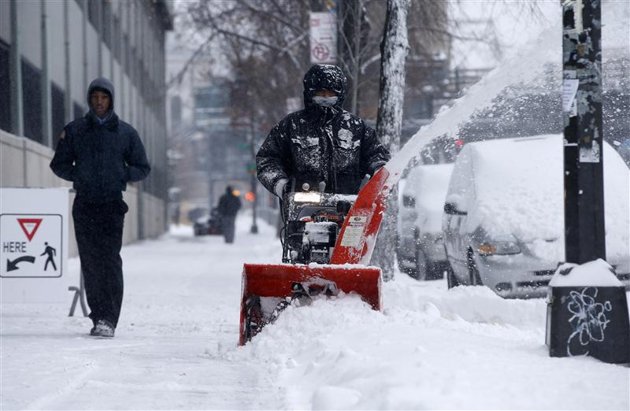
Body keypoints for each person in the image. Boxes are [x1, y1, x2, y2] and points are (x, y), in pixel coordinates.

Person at [50, 77, 150, 338]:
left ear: (111, 100)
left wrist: (121, 175)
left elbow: (142, 167)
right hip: (84, 205)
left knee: (110, 262)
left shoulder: (126, 133)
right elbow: (58, 164)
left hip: (112, 206)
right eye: (95, 97)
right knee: (91, 264)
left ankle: (110, 318)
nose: (99, 102)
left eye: (104, 97)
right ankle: (98, 318)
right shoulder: (75, 131)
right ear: (89, 99)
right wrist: (79, 175)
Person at [256, 64, 390, 198]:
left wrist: (379, 173)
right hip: (302, 206)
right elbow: (267, 160)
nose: (326, 97)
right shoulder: (291, 126)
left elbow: (377, 155)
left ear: (340, 94)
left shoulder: (356, 127)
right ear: (310, 93)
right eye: (320, 92)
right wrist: (281, 186)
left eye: (331, 93)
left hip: (348, 207)